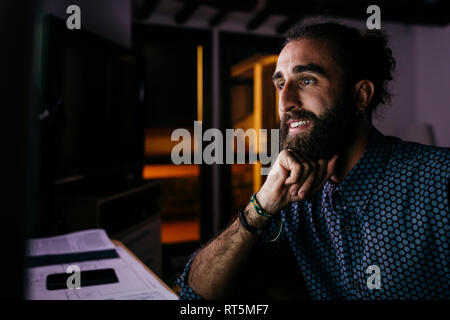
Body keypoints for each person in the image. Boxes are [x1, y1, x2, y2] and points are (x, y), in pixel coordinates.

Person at [177, 22, 449, 300]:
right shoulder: (293, 199)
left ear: (360, 95)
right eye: (281, 84)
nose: (285, 102)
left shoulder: (439, 181)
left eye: (306, 80)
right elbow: (195, 297)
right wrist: (259, 207)